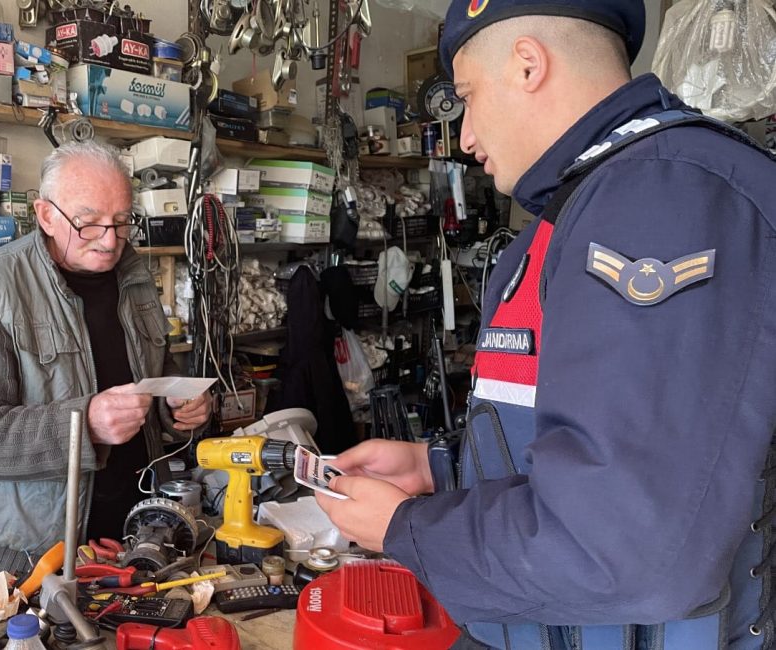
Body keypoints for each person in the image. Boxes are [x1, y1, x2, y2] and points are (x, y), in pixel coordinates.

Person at [317, 1, 776, 648]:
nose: (466, 136)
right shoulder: (585, 207)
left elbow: (622, 546)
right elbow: (586, 439)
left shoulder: (661, 201)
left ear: (529, 64)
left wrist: (409, 528)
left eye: (468, 98)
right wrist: (439, 469)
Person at [0, 141, 211, 578]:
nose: (109, 241)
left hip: (137, 530)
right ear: (45, 214)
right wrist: (82, 425)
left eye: (122, 222)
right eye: (87, 224)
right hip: (35, 551)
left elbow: (152, 374)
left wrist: (176, 407)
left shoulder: (134, 275)